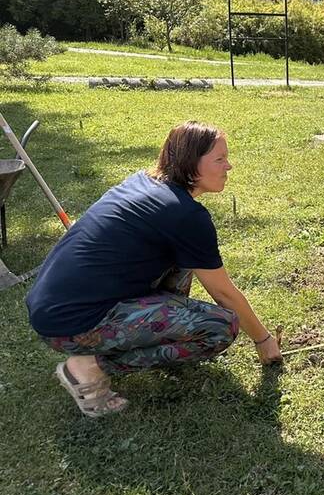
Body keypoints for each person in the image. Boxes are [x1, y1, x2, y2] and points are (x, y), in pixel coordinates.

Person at [26, 121, 282, 417]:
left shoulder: (144, 181)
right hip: (71, 325)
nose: (229, 166)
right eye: (220, 159)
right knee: (220, 327)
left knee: (185, 261)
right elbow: (223, 293)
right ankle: (88, 365)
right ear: (190, 164)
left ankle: (162, 336)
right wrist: (263, 340)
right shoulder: (186, 216)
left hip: (52, 306)